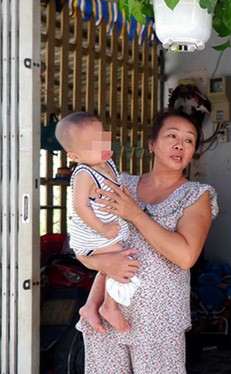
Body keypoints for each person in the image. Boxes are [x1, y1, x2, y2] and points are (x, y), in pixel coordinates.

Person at [75, 109, 219, 374]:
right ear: (152, 143)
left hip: (158, 323)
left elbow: (186, 256)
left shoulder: (197, 195)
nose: (180, 145)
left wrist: (135, 215)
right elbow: (86, 243)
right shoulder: (121, 183)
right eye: (172, 136)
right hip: (106, 317)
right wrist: (103, 262)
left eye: (189, 140)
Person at [55, 111, 138, 334]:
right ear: (75, 156)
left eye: (102, 137)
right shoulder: (84, 173)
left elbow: (115, 184)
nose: (102, 145)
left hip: (107, 231)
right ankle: (109, 306)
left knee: (108, 268)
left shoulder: (106, 161)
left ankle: (90, 307)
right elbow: (81, 207)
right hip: (93, 234)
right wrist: (102, 228)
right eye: (93, 144)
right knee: (122, 260)